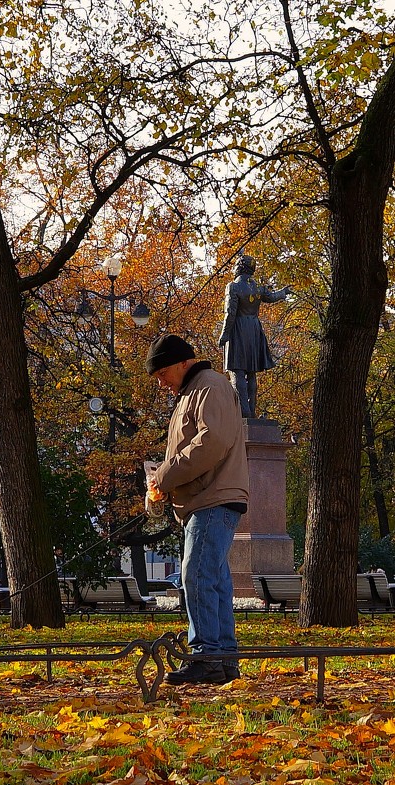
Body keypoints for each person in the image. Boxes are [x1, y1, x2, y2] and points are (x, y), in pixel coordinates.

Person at [144, 333, 249, 685]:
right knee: (214, 579)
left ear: (182, 363)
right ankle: (222, 659)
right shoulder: (196, 391)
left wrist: (164, 476)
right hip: (209, 498)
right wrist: (163, 480)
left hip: (212, 498)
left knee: (197, 575)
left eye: (162, 374)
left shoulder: (209, 387)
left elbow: (210, 443)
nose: (161, 383)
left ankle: (206, 655)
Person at [218, 253, 291, 418]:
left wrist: (224, 334)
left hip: (238, 329)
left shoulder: (233, 287)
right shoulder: (257, 287)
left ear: (239, 267)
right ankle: (251, 410)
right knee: (251, 372)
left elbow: (230, 313)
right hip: (254, 330)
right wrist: (283, 292)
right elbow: (271, 297)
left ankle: (243, 413)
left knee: (236, 371)